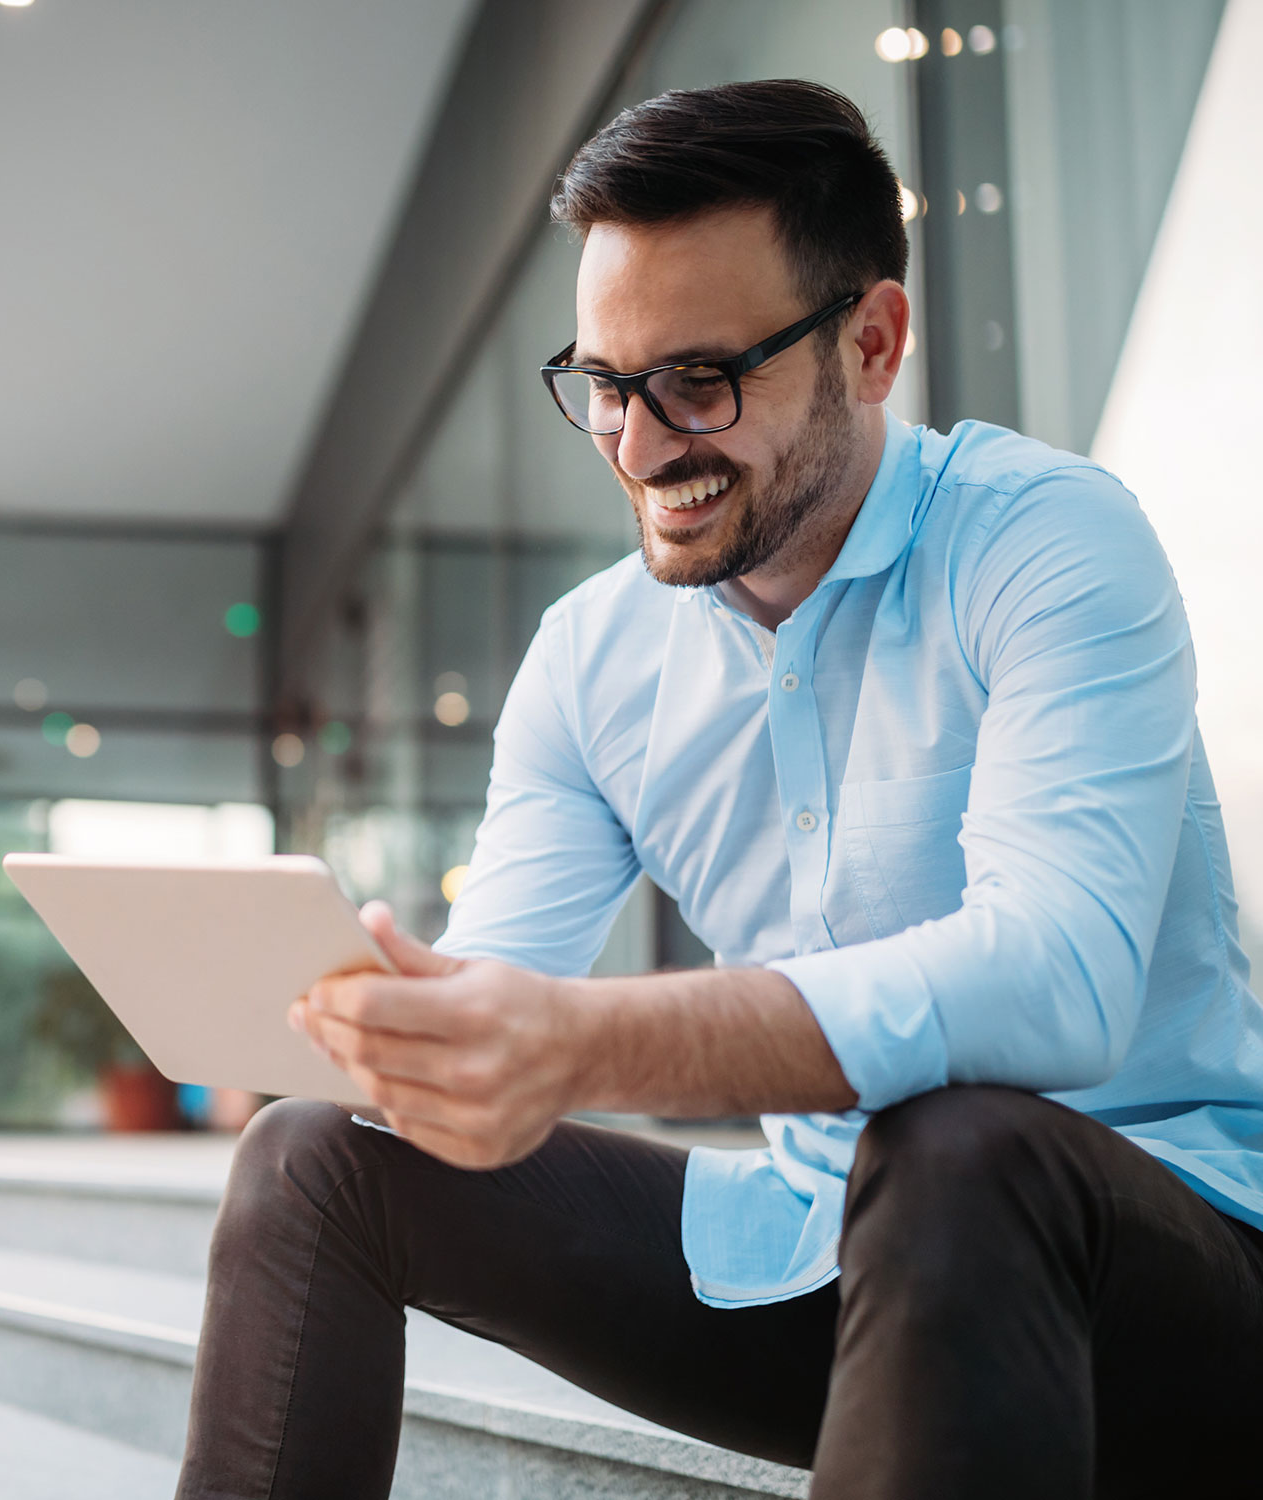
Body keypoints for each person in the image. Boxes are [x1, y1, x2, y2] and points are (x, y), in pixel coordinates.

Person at [175, 79, 1263, 1499]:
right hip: (819, 1264)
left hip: (1147, 1275)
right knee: (313, 1159)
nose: (638, 446)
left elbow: (1055, 980)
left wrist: (580, 1043)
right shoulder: (591, 656)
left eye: (700, 381)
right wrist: (416, 1037)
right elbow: (507, 992)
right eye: (606, 387)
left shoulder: (1048, 542)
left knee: (957, 1142)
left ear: (871, 344)